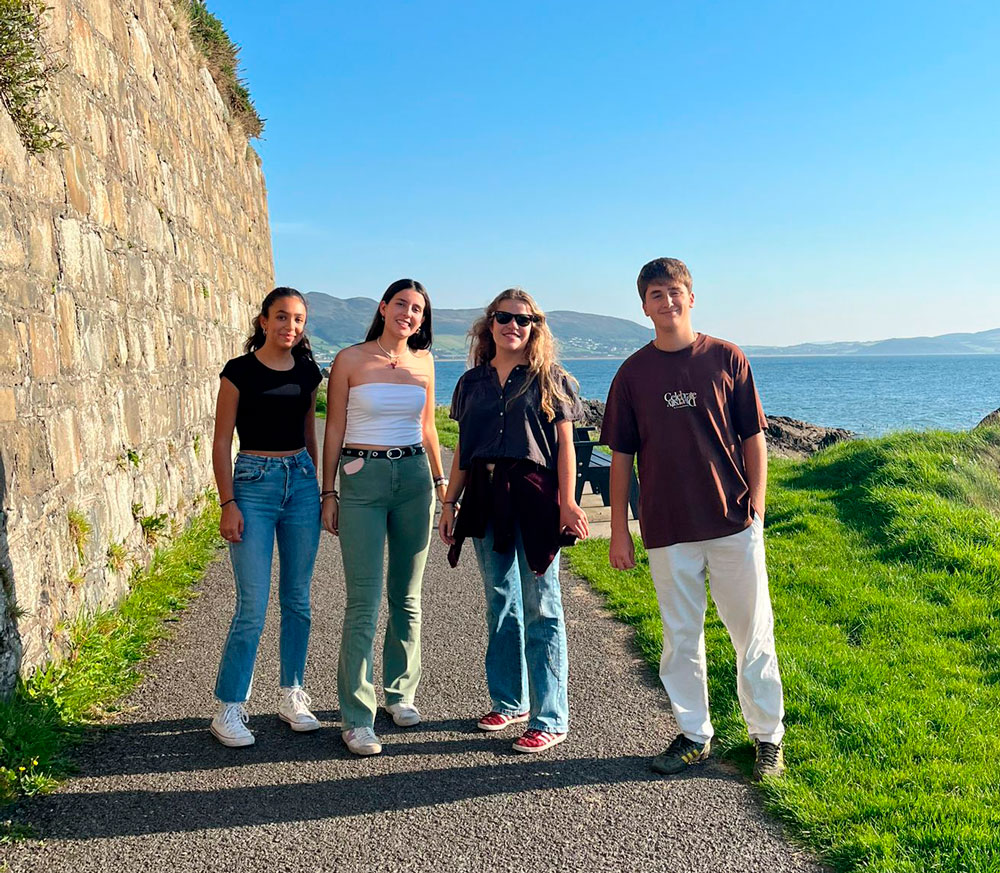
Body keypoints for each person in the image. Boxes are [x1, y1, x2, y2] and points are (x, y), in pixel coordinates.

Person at [601, 258, 786, 780]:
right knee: (681, 637)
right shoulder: (633, 374)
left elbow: (753, 439)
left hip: (732, 521)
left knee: (753, 634)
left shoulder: (727, 358)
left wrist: (757, 508)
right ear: (644, 306)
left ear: (691, 296)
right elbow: (621, 458)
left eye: (675, 291)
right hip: (667, 527)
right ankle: (694, 734)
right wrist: (619, 531)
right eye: (656, 294)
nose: (667, 302)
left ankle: (767, 737)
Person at [439, 289, 589, 754]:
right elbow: (464, 448)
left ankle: (551, 717)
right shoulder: (471, 383)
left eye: (524, 320)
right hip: (485, 496)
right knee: (499, 601)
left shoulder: (552, 380)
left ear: (535, 327)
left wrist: (568, 503)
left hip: (536, 497)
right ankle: (509, 701)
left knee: (542, 605)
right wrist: (449, 502)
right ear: (490, 324)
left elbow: (565, 447)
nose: (513, 326)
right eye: (504, 317)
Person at [322, 279, 448, 756]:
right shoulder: (350, 359)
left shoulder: (425, 361)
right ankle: (357, 716)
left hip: (415, 479)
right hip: (362, 478)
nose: (408, 314)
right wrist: (328, 491)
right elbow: (334, 426)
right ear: (383, 307)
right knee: (364, 600)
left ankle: (400, 693)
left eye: (417, 309)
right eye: (401, 304)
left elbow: (428, 427)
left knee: (408, 596)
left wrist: (441, 483)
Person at [210, 287, 323, 747]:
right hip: (252, 485)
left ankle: (292, 692)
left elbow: (309, 432)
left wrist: (319, 487)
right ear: (263, 320)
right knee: (252, 604)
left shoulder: (308, 371)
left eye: (297, 319)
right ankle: (230, 706)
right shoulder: (238, 372)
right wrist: (228, 503)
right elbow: (222, 441)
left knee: (298, 599)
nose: (289, 326)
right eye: (281, 317)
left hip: (301, 484)